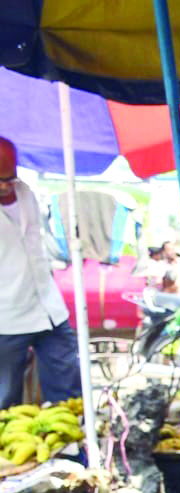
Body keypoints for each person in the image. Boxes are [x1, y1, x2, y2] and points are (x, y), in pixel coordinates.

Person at [0, 136, 80, 408]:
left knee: (68, 390)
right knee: (5, 398)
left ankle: (71, 446)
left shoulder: (26, 193)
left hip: (50, 309)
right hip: (7, 318)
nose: (4, 186)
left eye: (9, 178)